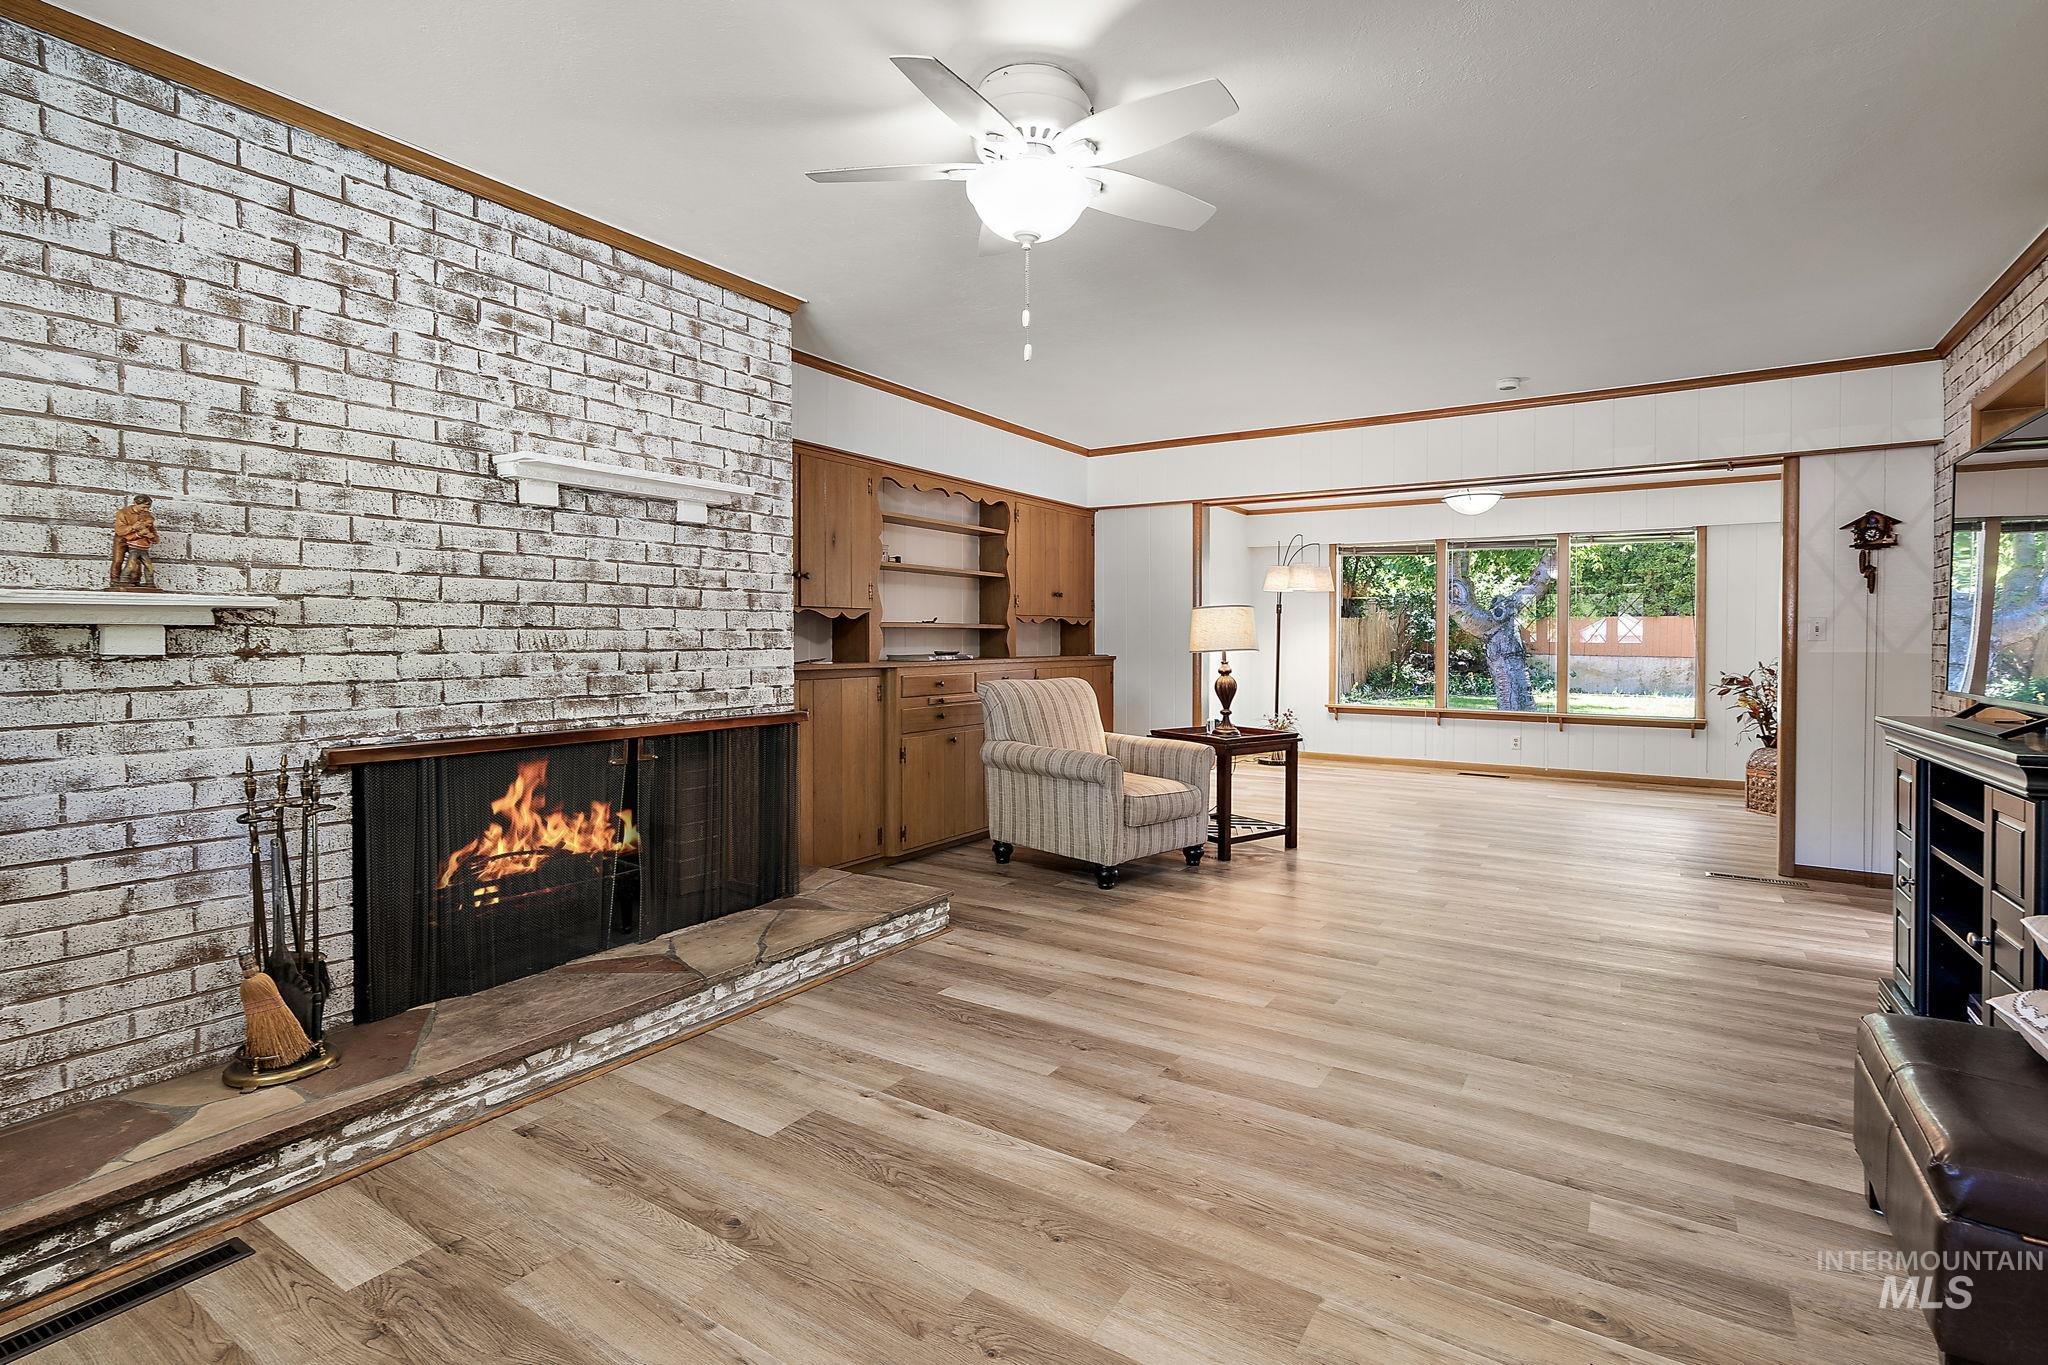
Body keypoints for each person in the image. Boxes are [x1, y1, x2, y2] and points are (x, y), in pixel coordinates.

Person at [110, 494, 159, 588]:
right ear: (135, 503)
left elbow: (151, 529)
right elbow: (119, 530)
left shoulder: (147, 515)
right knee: (118, 560)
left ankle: (134, 580)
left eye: (148, 508)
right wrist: (133, 527)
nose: (146, 510)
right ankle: (115, 580)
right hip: (122, 539)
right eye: (143, 507)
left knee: (136, 562)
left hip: (137, 541)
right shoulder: (123, 513)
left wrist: (153, 537)